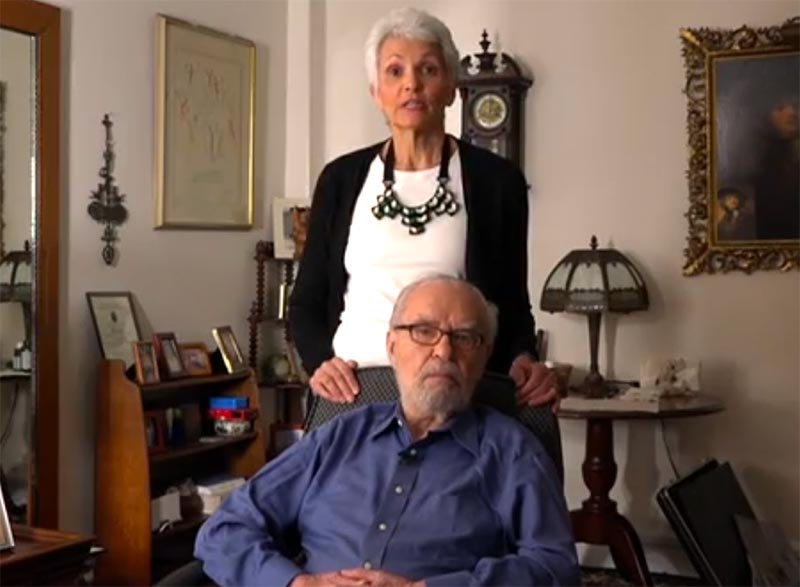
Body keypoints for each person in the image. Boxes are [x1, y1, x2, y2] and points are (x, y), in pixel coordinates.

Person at [195, 275, 579, 587]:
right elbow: (226, 530)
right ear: (392, 345)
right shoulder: (338, 436)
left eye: (464, 338)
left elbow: (554, 568)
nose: (443, 352)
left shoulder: (511, 451)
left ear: (484, 355)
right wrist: (298, 584)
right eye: (424, 331)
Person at [289, 8, 557, 410]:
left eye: (428, 70)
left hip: (454, 392)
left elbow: (512, 306)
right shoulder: (340, 179)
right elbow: (306, 303)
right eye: (394, 72)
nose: (411, 84)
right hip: (354, 391)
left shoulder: (497, 183)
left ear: (451, 87)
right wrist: (319, 364)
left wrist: (524, 360)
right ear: (375, 91)